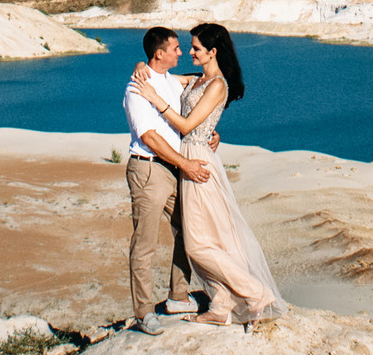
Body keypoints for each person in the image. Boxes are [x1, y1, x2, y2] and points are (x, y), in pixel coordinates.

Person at [129, 21, 284, 326]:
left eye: (196, 48)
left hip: (195, 161)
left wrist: (156, 100)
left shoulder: (217, 85)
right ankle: (221, 306)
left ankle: (257, 293)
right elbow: (163, 74)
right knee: (205, 236)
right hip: (184, 158)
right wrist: (140, 64)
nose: (189, 52)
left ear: (213, 52)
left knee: (198, 243)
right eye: (186, 47)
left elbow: (187, 126)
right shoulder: (198, 80)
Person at [122, 26, 205, 333]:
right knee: (145, 243)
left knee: (187, 230)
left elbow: (200, 80)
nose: (181, 53)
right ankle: (144, 313)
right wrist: (187, 164)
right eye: (175, 49)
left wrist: (211, 133)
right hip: (149, 170)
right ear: (160, 53)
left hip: (173, 169)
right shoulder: (136, 89)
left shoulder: (170, 81)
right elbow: (150, 137)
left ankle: (178, 296)